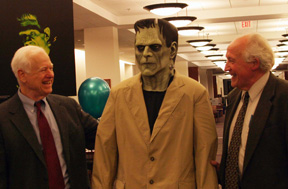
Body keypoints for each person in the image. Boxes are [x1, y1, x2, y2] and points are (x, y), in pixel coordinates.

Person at [92, 18, 218, 188]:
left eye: (154, 47)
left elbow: (205, 157)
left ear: (172, 50)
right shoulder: (118, 95)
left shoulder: (194, 94)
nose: (145, 54)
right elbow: (104, 155)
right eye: (140, 48)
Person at [0, 45, 98, 188]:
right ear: (22, 75)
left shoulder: (68, 107)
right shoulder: (3, 118)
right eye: (43, 70)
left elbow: (103, 136)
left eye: (51, 68)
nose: (50, 74)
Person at [215, 33, 288, 188]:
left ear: (254, 63)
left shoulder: (284, 97)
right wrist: (223, 172)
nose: (226, 67)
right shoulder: (234, 97)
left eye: (231, 60)